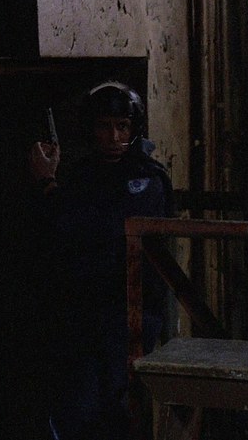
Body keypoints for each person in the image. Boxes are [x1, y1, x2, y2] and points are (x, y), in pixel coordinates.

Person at [28, 81, 173, 439]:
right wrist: (52, 182)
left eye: (122, 126)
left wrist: (49, 185)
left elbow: (99, 228)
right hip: (82, 314)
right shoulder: (82, 175)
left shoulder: (146, 178)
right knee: (77, 409)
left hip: (129, 314)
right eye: (104, 126)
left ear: (134, 128)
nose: (113, 137)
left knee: (116, 409)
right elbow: (56, 234)